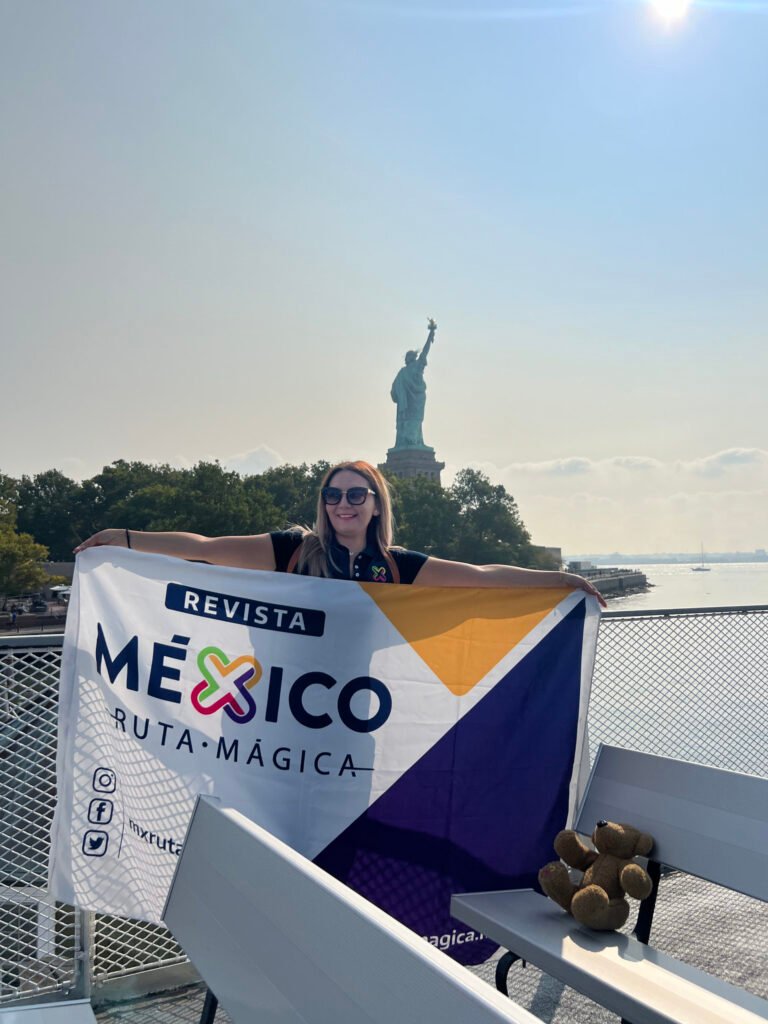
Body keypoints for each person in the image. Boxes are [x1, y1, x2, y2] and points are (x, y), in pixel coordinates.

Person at [74, 459, 605, 602]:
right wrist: (124, 538)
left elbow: (479, 576)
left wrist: (557, 582)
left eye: (355, 494)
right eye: (332, 495)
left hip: (356, 704)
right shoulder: (292, 550)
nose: (342, 504)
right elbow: (206, 549)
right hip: (285, 700)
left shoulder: (396, 566)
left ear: (375, 505)